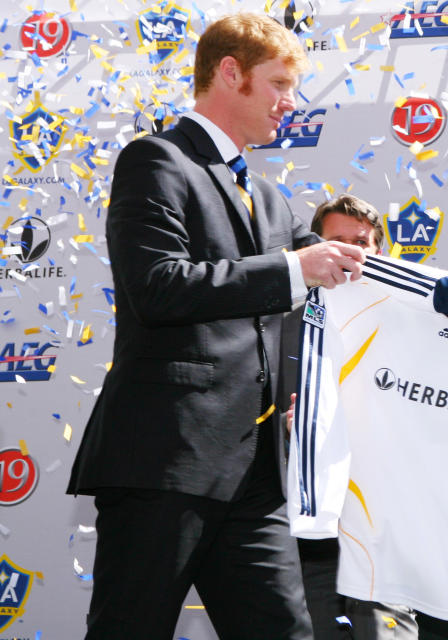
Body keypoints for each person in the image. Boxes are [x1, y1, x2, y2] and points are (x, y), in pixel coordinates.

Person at [66, 13, 370, 639]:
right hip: (165, 463)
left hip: (256, 476)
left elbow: (354, 272)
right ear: (230, 74)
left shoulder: (271, 196)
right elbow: (158, 286)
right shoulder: (156, 160)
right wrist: (292, 267)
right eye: (280, 85)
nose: (292, 103)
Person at [278, 194, 418, 640]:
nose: (354, 251)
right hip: (311, 532)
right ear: (317, 248)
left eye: (363, 241)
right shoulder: (282, 322)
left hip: (387, 525)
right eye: (339, 241)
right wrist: (292, 429)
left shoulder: (414, 322)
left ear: (379, 249)